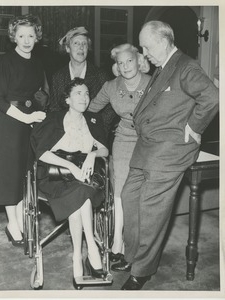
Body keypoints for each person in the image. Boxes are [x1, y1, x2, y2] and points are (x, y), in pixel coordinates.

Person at [116, 21, 219, 290]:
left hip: (169, 151)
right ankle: (132, 256)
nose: (144, 53)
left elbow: (212, 96)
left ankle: (142, 270)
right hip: (147, 147)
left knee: (151, 209)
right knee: (129, 196)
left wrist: (194, 127)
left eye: (146, 47)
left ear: (162, 42)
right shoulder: (164, 68)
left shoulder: (186, 66)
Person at [31, 78, 108, 288]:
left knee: (80, 191)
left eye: (86, 93)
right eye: (78, 93)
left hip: (84, 175)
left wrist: (93, 154)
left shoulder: (92, 120)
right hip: (56, 175)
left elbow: (105, 150)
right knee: (79, 193)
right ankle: (90, 247)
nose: (84, 97)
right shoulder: (55, 119)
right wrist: (71, 167)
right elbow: (42, 153)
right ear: (67, 99)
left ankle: (78, 255)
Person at [88, 43, 151, 264]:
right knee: (120, 193)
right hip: (124, 139)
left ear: (139, 60)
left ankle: (140, 246)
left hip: (149, 140)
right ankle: (117, 243)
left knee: (143, 194)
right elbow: (91, 108)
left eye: (129, 61)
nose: (125, 66)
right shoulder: (111, 86)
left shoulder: (153, 82)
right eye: (120, 63)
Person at [0, 14, 48, 247]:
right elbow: (0, 100)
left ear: (37, 37)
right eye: (21, 35)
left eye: (31, 35)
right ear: (13, 37)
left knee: (26, 172)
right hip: (9, 123)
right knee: (9, 174)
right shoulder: (5, 62)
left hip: (30, 122)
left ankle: (24, 218)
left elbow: (40, 93)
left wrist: (37, 115)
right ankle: (12, 223)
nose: (26, 40)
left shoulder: (36, 62)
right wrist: (26, 117)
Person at [49, 26, 116, 136]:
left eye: (84, 44)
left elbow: (110, 108)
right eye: (76, 43)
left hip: (93, 133)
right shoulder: (58, 76)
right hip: (66, 133)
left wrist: (97, 129)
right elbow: (54, 108)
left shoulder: (100, 75)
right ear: (67, 48)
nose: (81, 47)